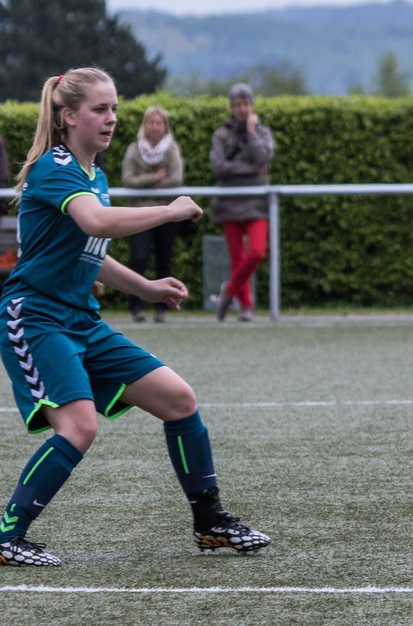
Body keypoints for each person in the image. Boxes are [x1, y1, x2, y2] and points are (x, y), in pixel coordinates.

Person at [0, 68, 269, 567]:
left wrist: (145, 287)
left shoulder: (93, 175)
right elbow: (98, 223)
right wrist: (168, 210)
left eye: (115, 109)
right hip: (34, 318)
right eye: (100, 110)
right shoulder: (53, 167)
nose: (111, 119)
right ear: (68, 116)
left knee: (179, 400)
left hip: (80, 319)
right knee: (79, 427)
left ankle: (209, 522)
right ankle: (6, 534)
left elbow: (90, 249)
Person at [209, 83, 274, 322]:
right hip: (229, 202)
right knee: (236, 256)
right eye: (237, 104)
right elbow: (218, 167)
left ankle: (230, 290)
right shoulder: (222, 134)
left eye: (246, 103)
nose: (242, 108)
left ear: (252, 106)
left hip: (256, 202)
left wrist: (251, 132)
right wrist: (250, 170)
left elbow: (264, 157)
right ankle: (246, 306)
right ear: (231, 107)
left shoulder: (262, 133)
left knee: (256, 252)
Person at [122, 106, 185, 323]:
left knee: (164, 260)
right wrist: (156, 178)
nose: (155, 126)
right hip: (139, 214)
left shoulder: (172, 149)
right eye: (151, 122)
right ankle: (136, 306)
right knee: (138, 258)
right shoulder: (134, 149)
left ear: (165, 126)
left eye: (159, 123)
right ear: (145, 125)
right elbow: (128, 180)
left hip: (167, 214)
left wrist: (145, 182)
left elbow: (176, 179)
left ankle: (161, 307)